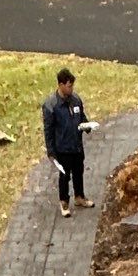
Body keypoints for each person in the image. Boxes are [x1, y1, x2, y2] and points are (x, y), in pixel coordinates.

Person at [42, 67, 94, 218]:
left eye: (72, 86)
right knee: (64, 176)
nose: (71, 89)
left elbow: (81, 117)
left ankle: (80, 197)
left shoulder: (76, 100)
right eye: (69, 86)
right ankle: (64, 201)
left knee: (79, 171)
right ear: (61, 85)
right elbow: (48, 130)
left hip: (76, 145)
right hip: (63, 148)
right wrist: (51, 151)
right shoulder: (51, 106)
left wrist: (87, 126)